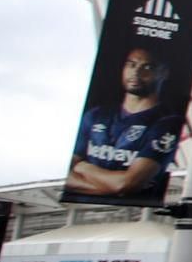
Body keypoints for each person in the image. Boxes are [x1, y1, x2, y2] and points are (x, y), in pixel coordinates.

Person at [65, 45, 183, 200]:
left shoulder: (167, 124)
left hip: (135, 216)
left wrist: (84, 167)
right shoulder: (96, 115)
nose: (136, 72)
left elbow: (126, 185)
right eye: (131, 65)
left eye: (147, 67)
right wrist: (110, 186)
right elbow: (65, 176)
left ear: (163, 73)